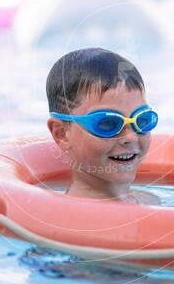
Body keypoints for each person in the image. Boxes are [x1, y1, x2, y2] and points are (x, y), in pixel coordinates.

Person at [46, 47, 160, 204]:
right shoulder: (66, 221)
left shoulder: (148, 199)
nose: (131, 137)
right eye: (108, 124)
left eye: (142, 120)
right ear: (62, 134)